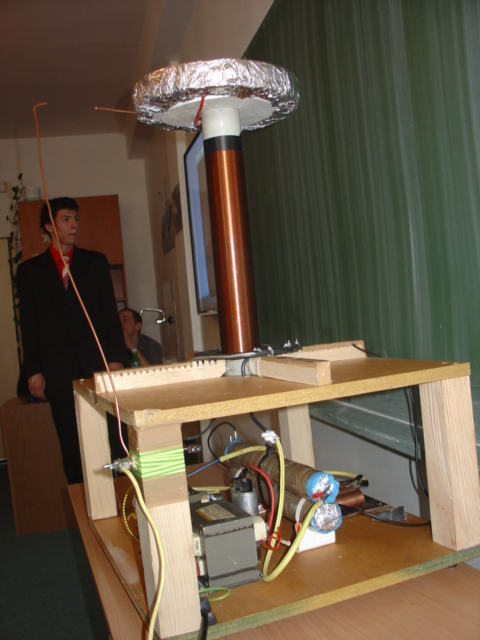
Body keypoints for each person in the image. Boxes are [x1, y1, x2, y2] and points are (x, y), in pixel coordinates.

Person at [16, 197, 126, 484]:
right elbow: (29, 325)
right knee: (72, 444)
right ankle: (83, 501)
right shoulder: (30, 272)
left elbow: (110, 315)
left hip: (98, 367)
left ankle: (122, 495)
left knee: (113, 438)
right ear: (49, 226)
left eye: (76, 219)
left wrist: (115, 360)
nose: (74, 225)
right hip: (58, 371)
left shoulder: (95, 262)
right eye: (66, 219)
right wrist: (33, 369)